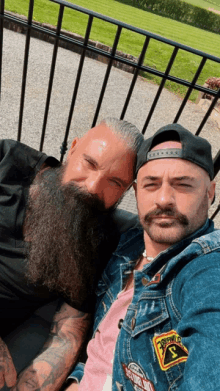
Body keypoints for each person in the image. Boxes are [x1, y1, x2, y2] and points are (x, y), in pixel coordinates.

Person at [68, 123, 220, 391]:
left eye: (182, 184)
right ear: (136, 192)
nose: (163, 199)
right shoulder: (126, 245)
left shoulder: (206, 270)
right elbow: (104, 344)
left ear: (210, 192)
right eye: (151, 184)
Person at [0, 117, 143, 391]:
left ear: (126, 191)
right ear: (73, 148)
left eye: (114, 182)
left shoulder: (97, 240)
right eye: (89, 164)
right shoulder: (7, 162)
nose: (92, 187)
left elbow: (68, 334)